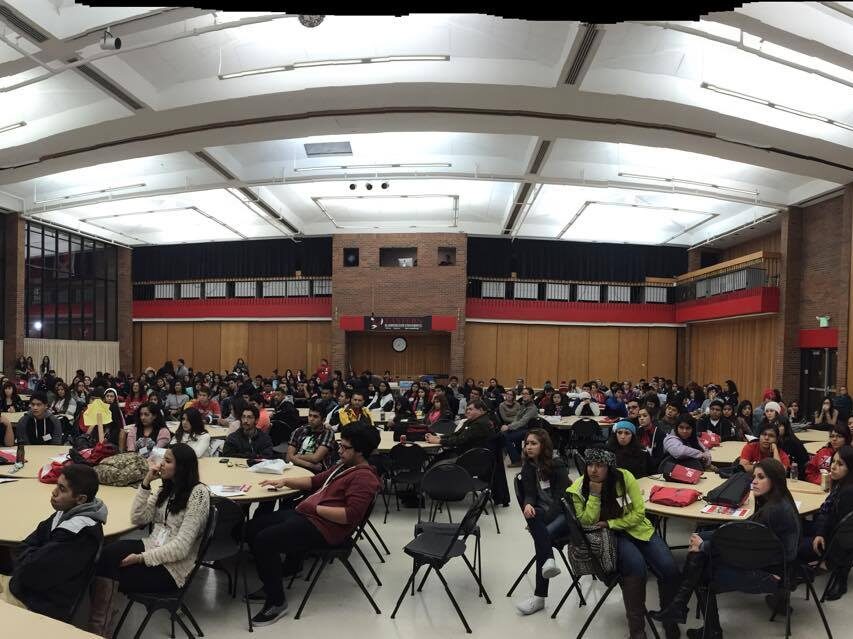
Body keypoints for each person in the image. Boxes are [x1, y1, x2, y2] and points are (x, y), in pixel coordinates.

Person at [245, 422, 381, 625]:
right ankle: (286, 569)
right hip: (310, 517)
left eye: (345, 447)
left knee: (265, 540)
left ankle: (277, 601)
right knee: (252, 528)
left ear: (360, 451)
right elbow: (315, 481)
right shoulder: (344, 466)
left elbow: (350, 516)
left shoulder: (364, 478)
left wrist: (314, 508)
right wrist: (284, 481)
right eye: (340, 445)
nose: (340, 450)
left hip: (326, 529)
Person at [651, 459, 800, 639]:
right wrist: (704, 540)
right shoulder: (775, 501)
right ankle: (682, 608)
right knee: (700, 546)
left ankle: (691, 614)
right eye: (754, 477)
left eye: (761, 477)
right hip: (762, 561)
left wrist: (705, 545)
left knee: (702, 573)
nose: (753, 481)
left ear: (775, 480)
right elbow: (744, 534)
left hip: (772, 573)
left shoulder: (775, 510)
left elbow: (743, 545)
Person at [89, 444, 210, 636]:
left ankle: (99, 628)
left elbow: (181, 548)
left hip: (172, 569)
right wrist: (146, 483)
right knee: (107, 553)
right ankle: (102, 621)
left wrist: (141, 558)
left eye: (168, 461)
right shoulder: (168, 488)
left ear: (183, 467)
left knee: (111, 571)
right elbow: (138, 518)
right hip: (152, 546)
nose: (161, 465)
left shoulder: (198, 494)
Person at [569, 448, 679, 639]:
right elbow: (587, 522)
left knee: (669, 567)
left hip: (637, 528)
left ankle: (670, 619)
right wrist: (594, 495)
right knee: (636, 567)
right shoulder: (578, 489)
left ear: (609, 467)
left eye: (600, 465)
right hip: (611, 537)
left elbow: (639, 513)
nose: (594, 470)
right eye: (590, 465)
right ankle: (637, 632)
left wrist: (611, 522)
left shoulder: (624, 477)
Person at [0, 464, 105, 619]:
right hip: (24, 585)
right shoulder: (65, 512)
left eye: (62, 489)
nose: (54, 492)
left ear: (80, 499)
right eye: (57, 485)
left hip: (36, 604)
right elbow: (23, 547)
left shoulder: (80, 534)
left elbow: (32, 573)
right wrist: (33, 556)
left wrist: (32, 556)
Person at [514, 429, 571, 615]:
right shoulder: (529, 466)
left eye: (533, 443)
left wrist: (543, 520)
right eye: (527, 443)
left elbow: (561, 500)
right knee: (532, 517)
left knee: (541, 537)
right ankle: (549, 561)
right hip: (544, 513)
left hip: (565, 514)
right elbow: (529, 493)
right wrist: (528, 504)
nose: (528, 447)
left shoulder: (558, 465)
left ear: (543, 445)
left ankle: (539, 598)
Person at [800, 445, 853, 600]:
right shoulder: (841, 484)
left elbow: (844, 535)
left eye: (840, 464)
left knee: (795, 545)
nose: (833, 467)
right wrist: (820, 532)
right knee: (798, 526)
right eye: (833, 461)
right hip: (829, 532)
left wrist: (830, 560)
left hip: (837, 543)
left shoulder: (848, 493)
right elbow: (828, 513)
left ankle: (839, 577)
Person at [425, 399, 493, 456]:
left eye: (470, 409)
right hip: (463, 452)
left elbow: (460, 440)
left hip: (470, 457)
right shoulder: (470, 421)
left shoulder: (481, 423)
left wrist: (439, 441)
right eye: (467, 409)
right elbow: (456, 434)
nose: (467, 412)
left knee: (437, 463)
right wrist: (438, 437)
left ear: (480, 410)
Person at [286, 407, 336, 472]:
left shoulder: (327, 433)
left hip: (316, 473)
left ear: (323, 420)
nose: (311, 419)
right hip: (298, 467)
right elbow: (288, 457)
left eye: (315, 417)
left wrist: (297, 456)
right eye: (310, 415)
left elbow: (315, 458)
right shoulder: (299, 430)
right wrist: (310, 465)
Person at [500, 387, 539, 467]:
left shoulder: (532, 408)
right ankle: (518, 456)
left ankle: (516, 460)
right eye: (523, 393)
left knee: (506, 437)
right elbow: (517, 418)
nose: (524, 395)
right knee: (505, 433)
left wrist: (509, 427)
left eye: (526, 394)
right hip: (523, 428)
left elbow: (523, 421)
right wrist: (510, 426)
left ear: (531, 395)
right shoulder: (524, 405)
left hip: (530, 430)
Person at [636, 407, 669, 471]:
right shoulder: (638, 431)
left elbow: (659, 457)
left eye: (645, 416)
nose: (641, 418)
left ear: (652, 417)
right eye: (639, 416)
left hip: (653, 467)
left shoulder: (659, 433)